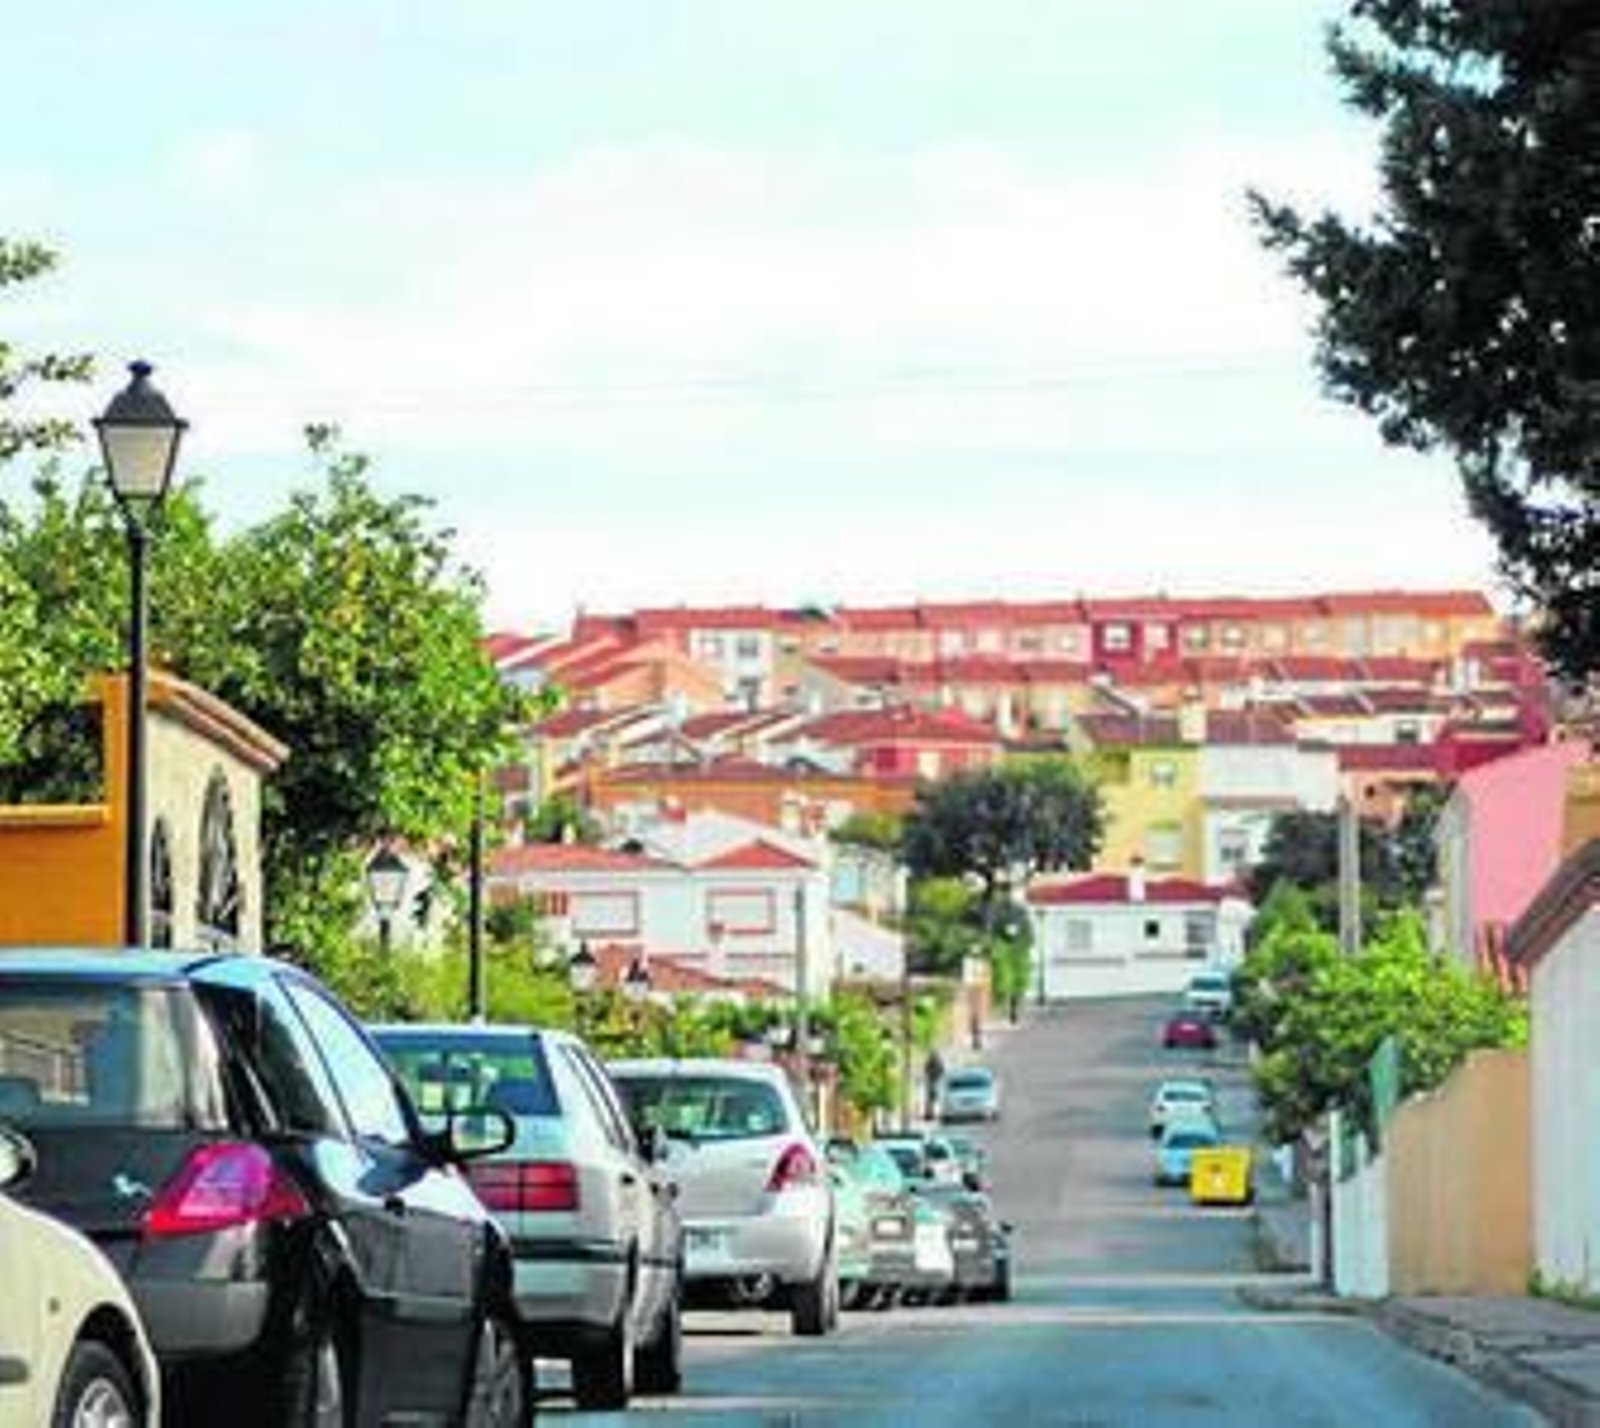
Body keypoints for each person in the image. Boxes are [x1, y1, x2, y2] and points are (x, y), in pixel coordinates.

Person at [923, 1048, 945, 1120]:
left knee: (933, 1099)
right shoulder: (933, 1062)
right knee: (931, 1099)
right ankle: (930, 1114)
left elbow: (941, 1071)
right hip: (932, 1082)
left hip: (935, 1082)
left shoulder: (937, 1063)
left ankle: (931, 1113)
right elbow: (926, 1070)